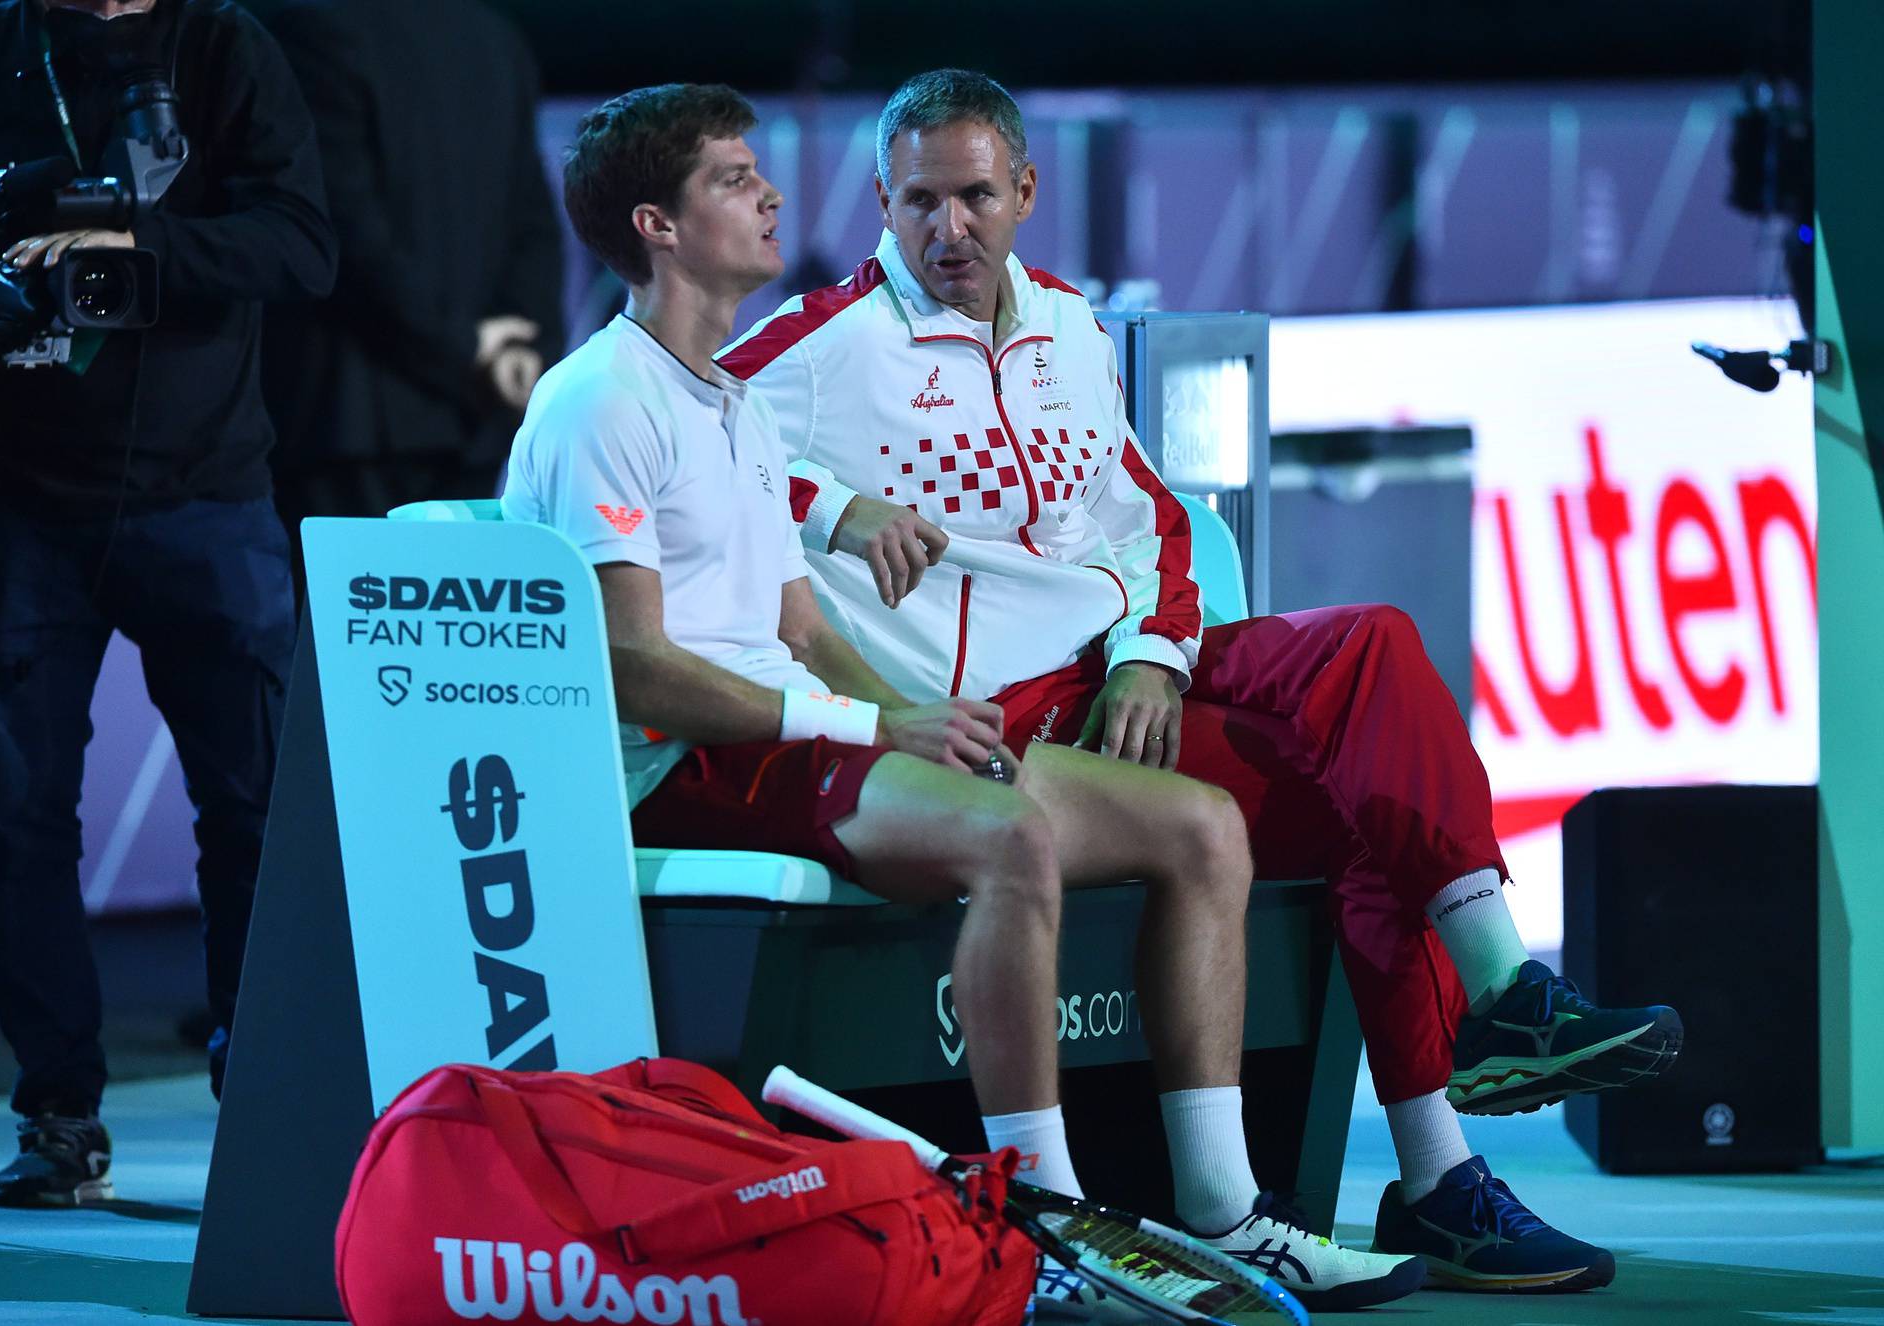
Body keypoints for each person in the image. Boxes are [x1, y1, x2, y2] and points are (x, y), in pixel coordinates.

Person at [722, 67, 1684, 1294]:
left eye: (973, 197)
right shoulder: (817, 346)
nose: (945, 230)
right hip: (982, 726)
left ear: (1024, 191)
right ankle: (1413, 1164)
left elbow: (1156, 526)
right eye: (917, 202)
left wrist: (1148, 656)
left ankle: (1482, 1048)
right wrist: (835, 507)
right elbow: (673, 432)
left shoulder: (1069, 328)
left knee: (1371, 665)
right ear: (879, 199)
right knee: (1341, 793)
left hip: (1107, 686)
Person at [501, 82, 1422, 1311]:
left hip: (793, 736)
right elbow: (633, 664)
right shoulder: (599, 399)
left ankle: (1226, 1210)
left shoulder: (722, 398)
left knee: (1204, 828)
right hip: (688, 763)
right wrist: (875, 722)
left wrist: (909, 713)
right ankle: (1042, 1226)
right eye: (733, 179)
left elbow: (795, 622)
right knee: (1014, 836)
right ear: (657, 226)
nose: (771, 196)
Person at [0, 0, 335, 1206]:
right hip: (15, 493)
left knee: (252, 812)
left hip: (204, 490)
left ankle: (256, 1088)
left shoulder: (222, 45)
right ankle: (58, 1113)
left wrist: (129, 249)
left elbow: (299, 247)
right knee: (16, 826)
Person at [261, 0, 566, 592]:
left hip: (351, 422)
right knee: (444, 670)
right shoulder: (494, 35)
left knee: (339, 667)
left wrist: (468, 348)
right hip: (471, 416)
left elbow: (340, 230)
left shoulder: (306, 25)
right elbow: (532, 225)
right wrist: (520, 355)